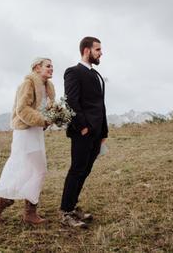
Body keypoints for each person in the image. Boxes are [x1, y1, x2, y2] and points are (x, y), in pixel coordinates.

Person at [0, 58, 55, 225]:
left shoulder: (48, 87)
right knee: (37, 170)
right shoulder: (28, 84)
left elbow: (48, 108)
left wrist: (54, 116)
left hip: (36, 131)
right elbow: (22, 109)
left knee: (28, 170)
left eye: (52, 66)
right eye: (48, 66)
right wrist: (43, 120)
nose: (51, 68)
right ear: (37, 68)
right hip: (25, 132)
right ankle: (28, 212)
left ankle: (1, 202)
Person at [60, 36, 108, 228]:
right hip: (83, 132)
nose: (101, 53)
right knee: (77, 170)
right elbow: (72, 102)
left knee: (85, 171)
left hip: (97, 133)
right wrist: (83, 127)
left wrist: (104, 132)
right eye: (98, 49)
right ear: (87, 50)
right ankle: (66, 213)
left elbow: (100, 106)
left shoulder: (95, 75)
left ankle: (72, 206)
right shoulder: (73, 72)